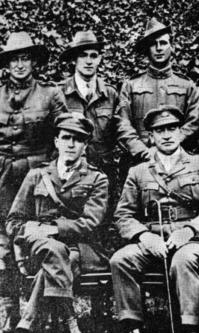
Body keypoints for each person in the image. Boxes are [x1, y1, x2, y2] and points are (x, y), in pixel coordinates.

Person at [109, 106, 199, 333]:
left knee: (183, 260)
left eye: (172, 128)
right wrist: (143, 236)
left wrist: (190, 229)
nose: (167, 135)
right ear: (150, 136)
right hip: (155, 241)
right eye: (159, 130)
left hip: (196, 241)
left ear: (181, 132)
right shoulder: (138, 172)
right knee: (121, 259)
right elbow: (123, 215)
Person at [0, 114, 108, 333]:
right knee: (55, 251)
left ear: (85, 145)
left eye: (78, 140)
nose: (71, 144)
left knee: (58, 252)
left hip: (83, 249)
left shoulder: (97, 179)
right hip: (38, 248)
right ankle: (72, 328)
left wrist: (53, 230)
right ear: (57, 141)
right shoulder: (37, 175)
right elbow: (14, 221)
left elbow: (91, 223)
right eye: (66, 138)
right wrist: (33, 230)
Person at [0, 31, 68, 333]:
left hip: (38, 179)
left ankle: (51, 316)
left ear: (33, 61)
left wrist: (51, 173)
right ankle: (9, 312)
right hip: (2, 178)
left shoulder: (50, 94)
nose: (19, 64)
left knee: (41, 239)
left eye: (24, 57)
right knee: (3, 243)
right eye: (14, 58)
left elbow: (66, 135)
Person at [116, 18, 199, 165]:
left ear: (171, 47)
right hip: (139, 161)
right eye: (153, 44)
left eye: (163, 43)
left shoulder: (186, 85)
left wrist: (171, 145)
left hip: (178, 162)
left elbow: (195, 121)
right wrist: (143, 151)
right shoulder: (131, 85)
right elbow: (122, 123)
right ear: (146, 49)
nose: (159, 48)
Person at [59, 30, 121, 218]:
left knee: (100, 228)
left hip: (103, 174)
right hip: (71, 173)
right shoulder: (59, 93)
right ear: (74, 60)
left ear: (100, 59)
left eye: (93, 56)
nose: (88, 61)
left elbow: (120, 132)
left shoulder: (110, 95)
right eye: (83, 55)